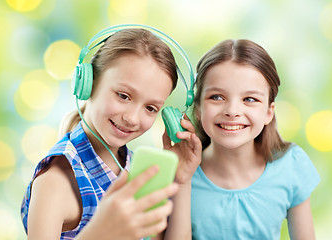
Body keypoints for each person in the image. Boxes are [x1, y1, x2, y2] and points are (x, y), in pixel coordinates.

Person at [21, 27, 201, 239]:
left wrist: (182, 180)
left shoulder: (136, 169)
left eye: (150, 108)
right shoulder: (56, 181)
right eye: (123, 96)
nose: (132, 118)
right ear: (88, 83)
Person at [189, 39, 320, 239]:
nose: (232, 111)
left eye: (250, 99)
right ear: (198, 109)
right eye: (216, 97)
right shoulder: (180, 173)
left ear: (269, 112)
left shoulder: (291, 166)